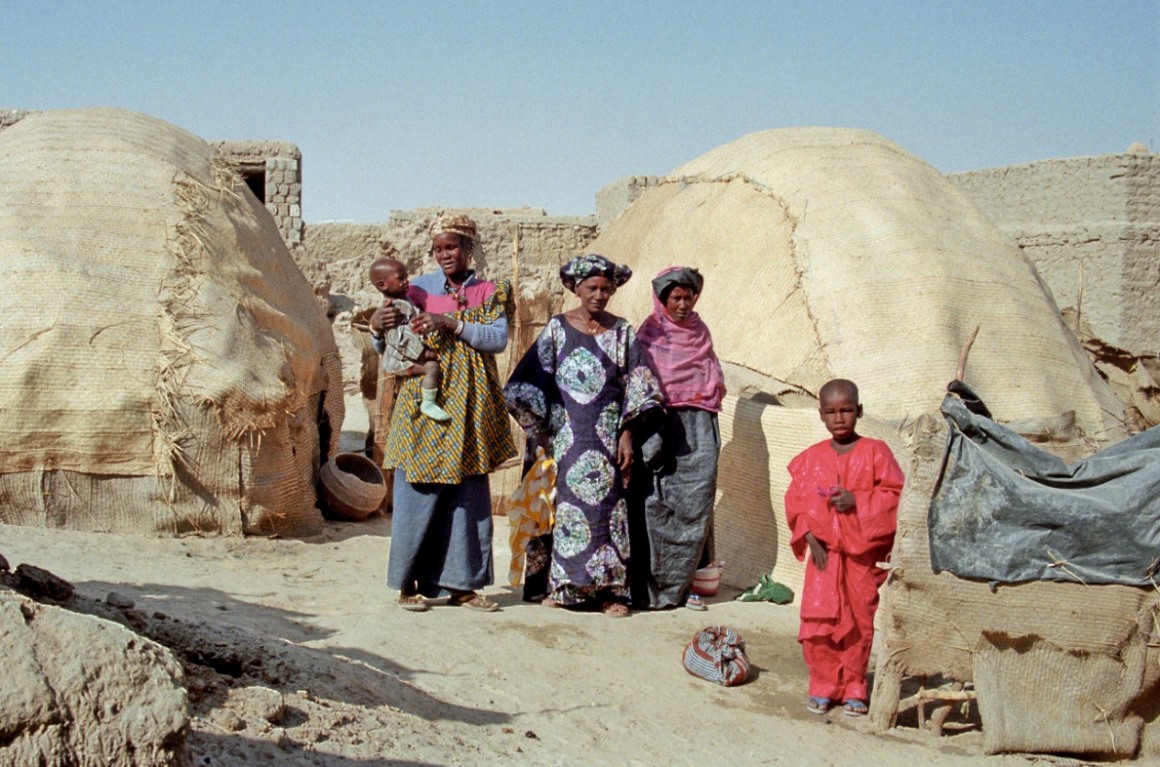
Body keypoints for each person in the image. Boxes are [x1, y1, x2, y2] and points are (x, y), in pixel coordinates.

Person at [504, 254, 663, 618]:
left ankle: (611, 593)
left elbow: (639, 386)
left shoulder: (622, 332)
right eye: (592, 288)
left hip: (608, 438)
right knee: (566, 511)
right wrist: (542, 433)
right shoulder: (558, 330)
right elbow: (524, 385)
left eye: (607, 289)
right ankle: (565, 588)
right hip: (567, 437)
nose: (600, 295)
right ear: (577, 288)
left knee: (610, 514)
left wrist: (627, 434)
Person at [372, 213, 516, 613]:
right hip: (424, 403)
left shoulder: (491, 290)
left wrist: (450, 322)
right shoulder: (414, 290)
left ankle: (462, 585)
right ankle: (406, 585)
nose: (444, 255)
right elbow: (389, 347)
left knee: (466, 497)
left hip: (471, 407)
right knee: (417, 491)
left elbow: (497, 339)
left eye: (451, 247)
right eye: (438, 249)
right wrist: (374, 328)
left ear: (469, 248)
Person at [784, 379, 904, 716]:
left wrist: (858, 501)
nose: (840, 418)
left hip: (860, 559)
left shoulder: (876, 452)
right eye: (832, 412)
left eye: (847, 410)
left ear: (859, 411)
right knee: (818, 622)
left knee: (859, 621)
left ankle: (854, 685)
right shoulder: (811, 459)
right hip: (824, 559)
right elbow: (796, 502)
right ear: (821, 415)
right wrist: (809, 535)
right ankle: (823, 684)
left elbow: (896, 497)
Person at [629, 267, 726, 612]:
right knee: (655, 504)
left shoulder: (700, 332)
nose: (683, 304)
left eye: (689, 297)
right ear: (662, 299)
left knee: (694, 504)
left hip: (699, 425)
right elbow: (639, 383)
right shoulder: (650, 334)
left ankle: (680, 588)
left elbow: (712, 378)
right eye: (676, 298)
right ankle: (648, 589)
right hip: (659, 423)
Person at [368, 257, 450, 422]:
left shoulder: (404, 300)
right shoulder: (392, 309)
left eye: (407, 276)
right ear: (383, 285)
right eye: (401, 278)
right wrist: (421, 353)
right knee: (432, 367)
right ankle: (428, 402)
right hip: (400, 360)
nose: (407, 281)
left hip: (406, 355)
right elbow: (398, 338)